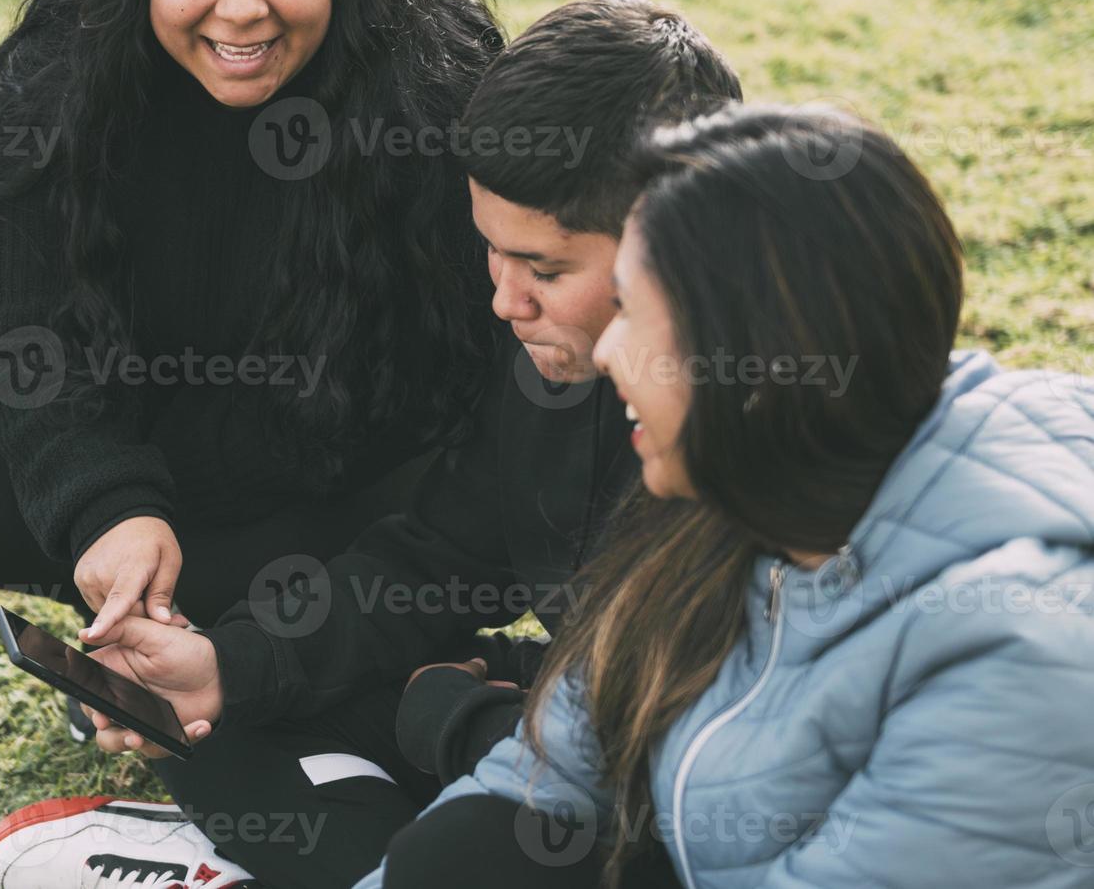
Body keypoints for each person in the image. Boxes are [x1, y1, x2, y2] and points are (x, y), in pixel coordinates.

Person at [0, 0, 742, 889]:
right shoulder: (549, 367)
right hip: (560, 707)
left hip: (664, 789)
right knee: (217, 715)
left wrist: (456, 714)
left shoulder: (774, 432)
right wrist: (230, 666)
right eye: (490, 251)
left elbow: (703, 768)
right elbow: (438, 553)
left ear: (681, 240)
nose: (504, 301)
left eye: (544, 269)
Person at [354, 104, 1094, 889]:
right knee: (469, 851)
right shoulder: (732, 501)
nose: (608, 350)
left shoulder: (1013, 654)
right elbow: (545, 777)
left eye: (634, 312)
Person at [0, 0, 504, 744]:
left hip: (343, 451)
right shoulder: (54, 73)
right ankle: (164, 629)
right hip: (154, 417)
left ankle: (248, 654)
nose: (240, 9)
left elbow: (472, 374)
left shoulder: (436, 76)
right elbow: (23, 335)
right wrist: (108, 508)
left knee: (296, 590)